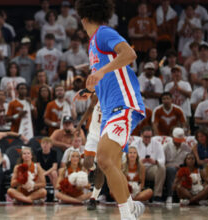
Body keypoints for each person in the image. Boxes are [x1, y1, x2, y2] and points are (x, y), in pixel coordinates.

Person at [75, 0, 146, 218]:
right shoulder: (93, 44)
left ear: (83, 18)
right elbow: (109, 77)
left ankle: (127, 215)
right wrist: (90, 90)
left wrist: (100, 71)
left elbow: (129, 54)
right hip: (108, 110)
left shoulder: (103, 33)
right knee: (109, 166)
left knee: (103, 159)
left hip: (123, 104)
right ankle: (132, 207)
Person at [132, 127, 166, 203]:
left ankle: (157, 195)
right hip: (138, 167)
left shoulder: (157, 144)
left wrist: (155, 161)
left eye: (149, 137)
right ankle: (133, 194)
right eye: (145, 137)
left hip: (151, 168)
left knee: (162, 168)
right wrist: (140, 161)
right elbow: (128, 158)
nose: (147, 139)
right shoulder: (135, 144)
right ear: (141, 135)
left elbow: (162, 160)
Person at [163, 127, 192, 204]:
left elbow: (190, 159)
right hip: (169, 168)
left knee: (185, 171)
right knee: (171, 170)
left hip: (182, 168)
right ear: (173, 137)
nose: (179, 142)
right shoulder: (166, 147)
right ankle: (171, 195)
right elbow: (162, 162)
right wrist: (171, 165)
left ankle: (187, 196)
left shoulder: (186, 147)